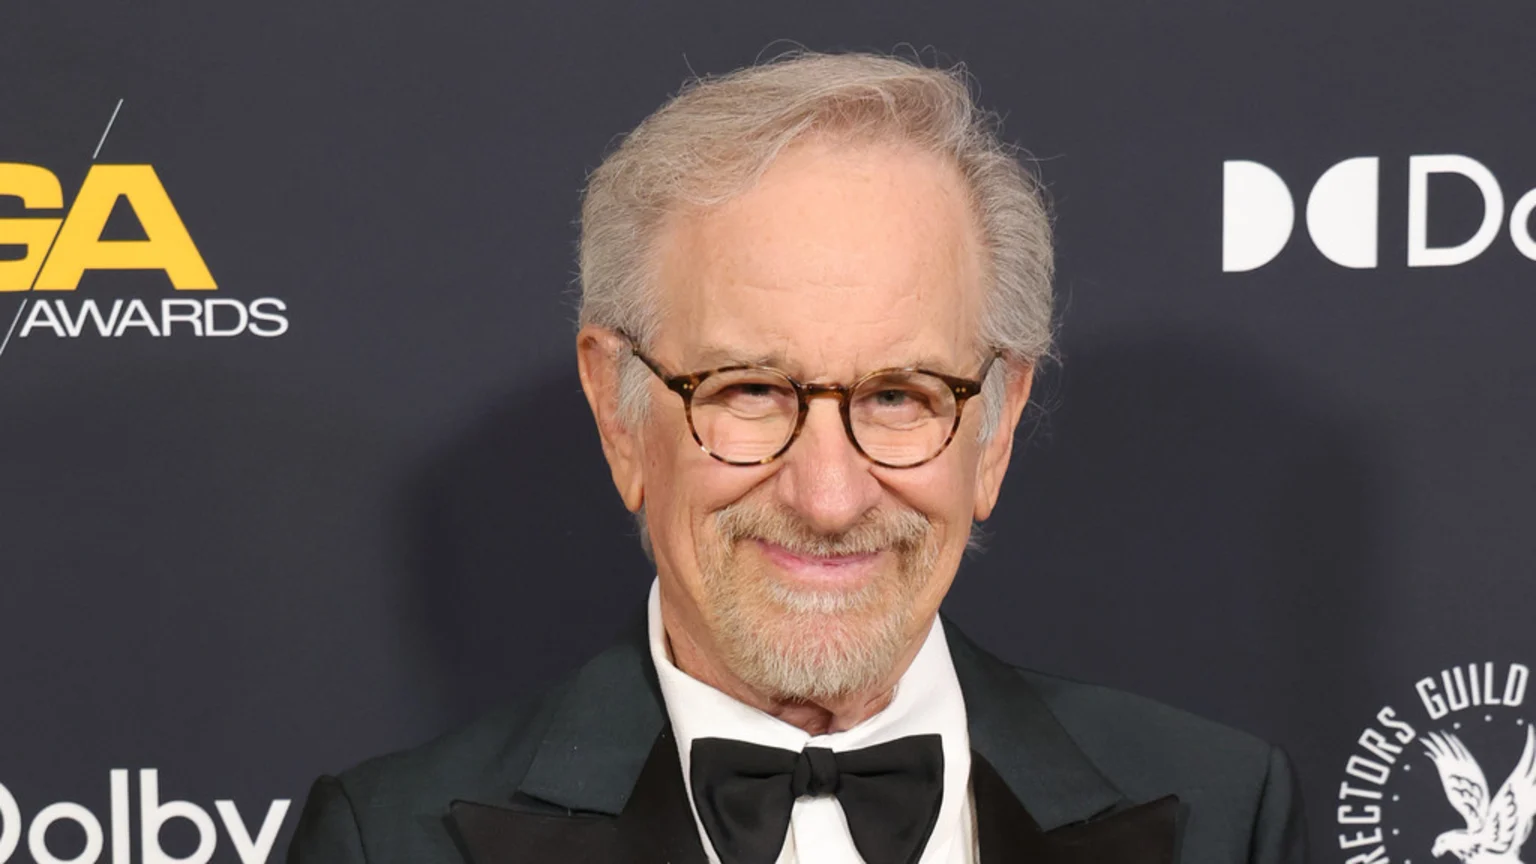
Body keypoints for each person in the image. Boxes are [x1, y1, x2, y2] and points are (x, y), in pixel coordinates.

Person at [288, 51, 1308, 864]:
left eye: (901, 396)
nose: (828, 496)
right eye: (750, 390)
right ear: (617, 410)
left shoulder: (1223, 817)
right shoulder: (393, 840)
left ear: (993, 429)